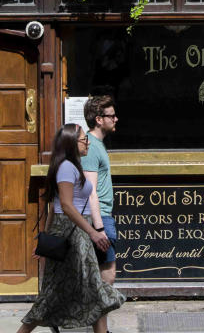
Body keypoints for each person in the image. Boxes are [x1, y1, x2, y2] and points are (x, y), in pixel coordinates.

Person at [18, 124, 125, 333]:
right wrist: (93, 231)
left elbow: (54, 207)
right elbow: (65, 206)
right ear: (71, 143)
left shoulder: (73, 166)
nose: (87, 142)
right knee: (54, 294)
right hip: (73, 234)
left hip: (77, 233)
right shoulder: (66, 167)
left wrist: (46, 241)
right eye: (84, 139)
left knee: (93, 290)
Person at [81, 95, 119, 288]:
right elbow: (90, 191)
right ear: (99, 119)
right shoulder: (90, 146)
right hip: (99, 218)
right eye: (111, 116)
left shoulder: (97, 144)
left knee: (104, 275)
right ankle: (96, 317)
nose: (116, 119)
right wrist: (99, 229)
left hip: (103, 216)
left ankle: (96, 317)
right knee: (107, 276)